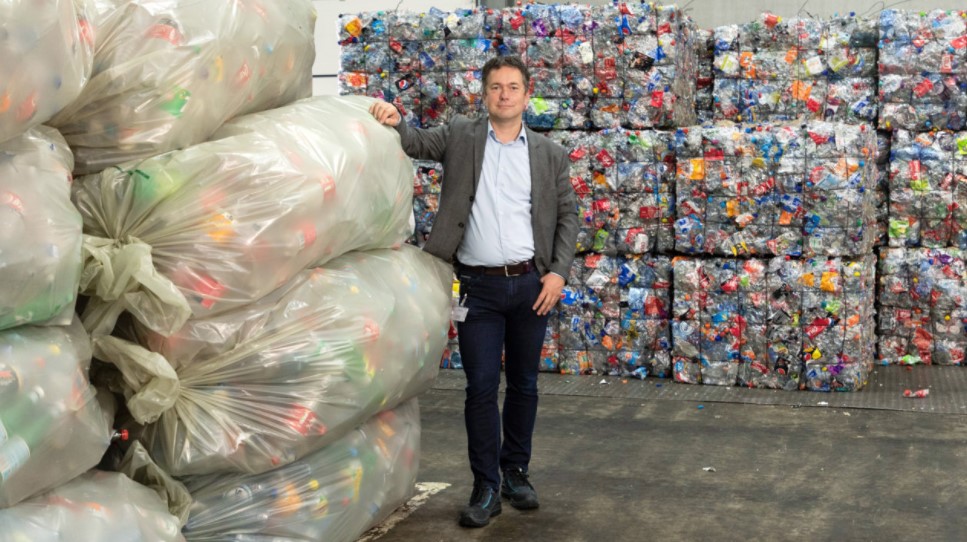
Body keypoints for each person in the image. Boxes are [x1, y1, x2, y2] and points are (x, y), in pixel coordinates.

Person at [369, 55, 579, 528]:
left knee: (524, 384)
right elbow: (418, 142)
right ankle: (486, 485)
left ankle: (515, 472)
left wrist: (558, 273)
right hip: (476, 290)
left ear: (527, 95)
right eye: (496, 87)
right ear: (484, 95)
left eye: (513, 87)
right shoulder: (462, 136)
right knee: (481, 388)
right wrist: (395, 118)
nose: (504, 95)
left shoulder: (549, 154)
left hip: (531, 286)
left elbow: (569, 215)